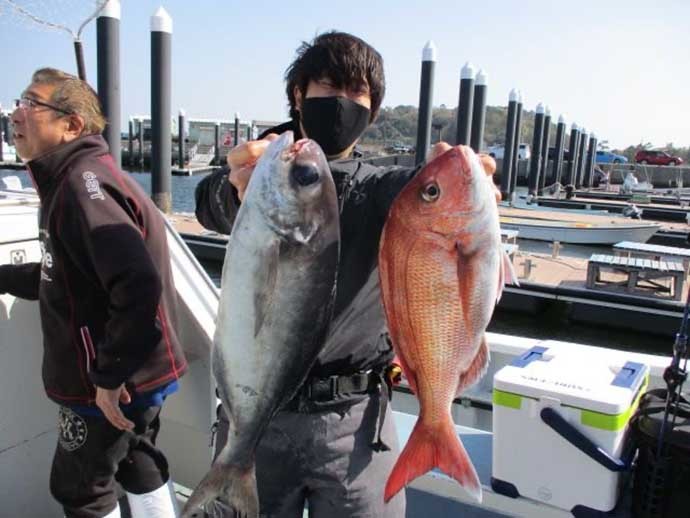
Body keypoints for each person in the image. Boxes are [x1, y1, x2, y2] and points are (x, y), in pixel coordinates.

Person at [195, 32, 498, 518]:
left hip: (356, 423)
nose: (343, 101)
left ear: (373, 109)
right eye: (329, 85)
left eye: (358, 93)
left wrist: (468, 182)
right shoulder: (265, 173)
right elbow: (209, 202)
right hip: (259, 417)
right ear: (298, 94)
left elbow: (430, 199)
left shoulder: (387, 189)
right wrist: (235, 190)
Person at [0, 68, 187, 518]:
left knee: (82, 487)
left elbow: (138, 283)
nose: (15, 112)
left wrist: (107, 378)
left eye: (31, 103)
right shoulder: (83, 179)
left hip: (105, 383)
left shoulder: (81, 188)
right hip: (138, 374)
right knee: (138, 462)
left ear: (72, 125)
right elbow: (65, 277)